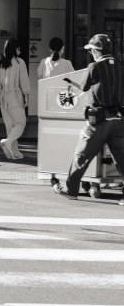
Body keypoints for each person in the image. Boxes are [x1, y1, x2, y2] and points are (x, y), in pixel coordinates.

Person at [53, 34, 124, 203]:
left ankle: (70, 189)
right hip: (119, 120)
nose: (91, 53)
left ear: (97, 51)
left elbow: (84, 87)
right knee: (121, 158)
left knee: (81, 155)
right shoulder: (121, 66)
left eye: (92, 50)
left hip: (99, 121)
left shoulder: (94, 67)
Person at [0, 38, 30, 160]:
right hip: (15, 96)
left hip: (3, 98)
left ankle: (15, 153)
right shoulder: (19, 62)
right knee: (20, 123)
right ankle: (8, 142)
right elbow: (24, 82)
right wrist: (26, 95)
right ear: (16, 49)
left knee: (10, 126)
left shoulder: (0, 63)